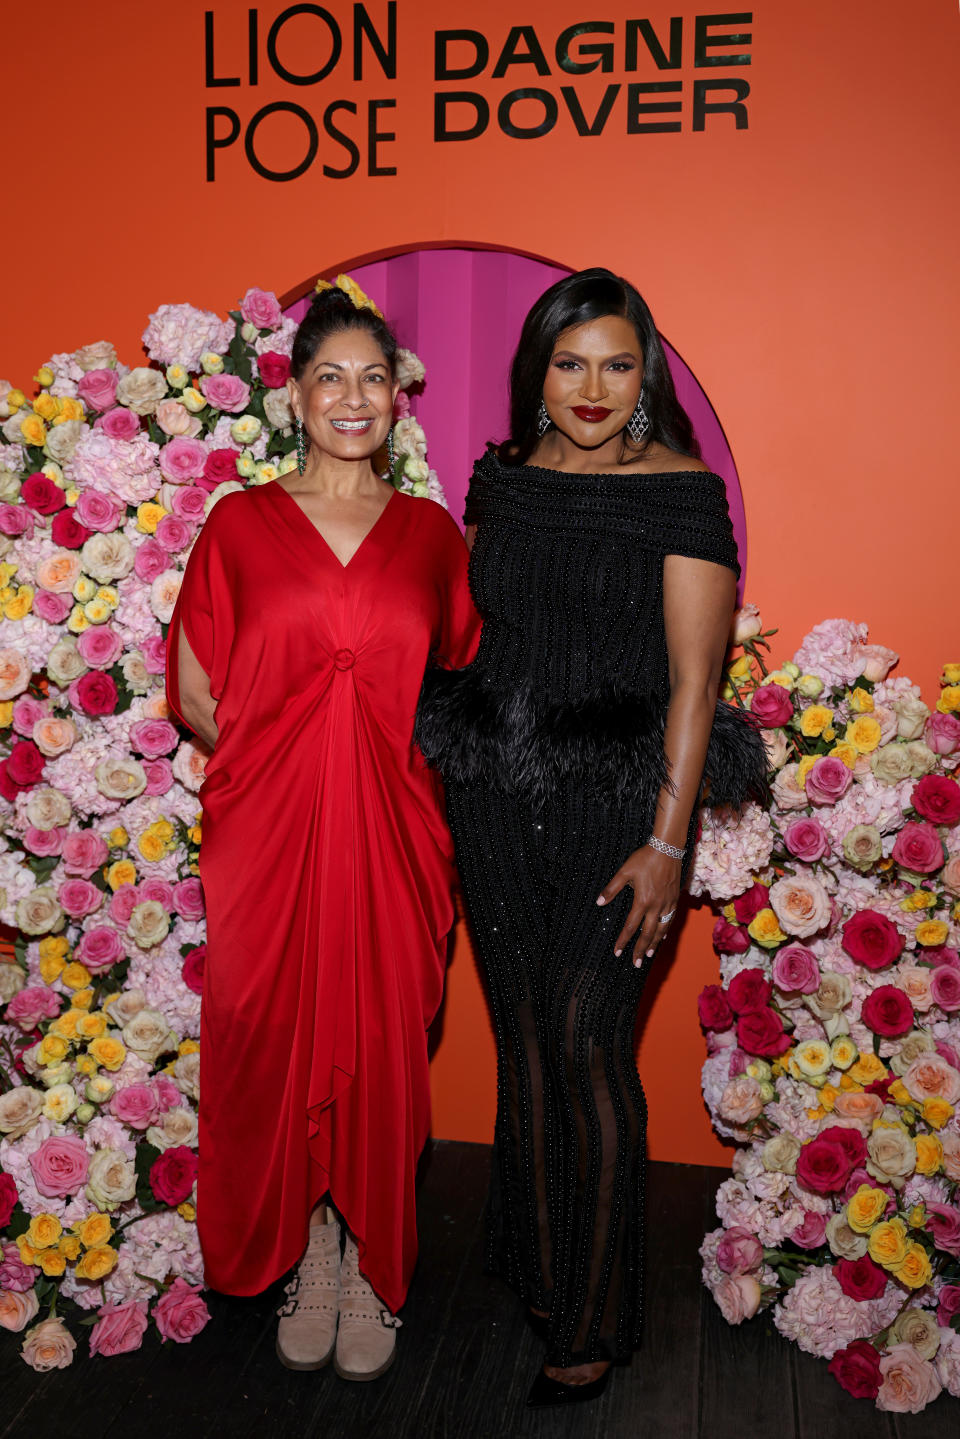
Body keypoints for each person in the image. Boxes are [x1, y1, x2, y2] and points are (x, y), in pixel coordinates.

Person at [416, 268, 766, 1407]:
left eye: (619, 363)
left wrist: (669, 844)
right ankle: (539, 1253)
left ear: (647, 372)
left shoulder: (682, 492)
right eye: (571, 362)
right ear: (538, 371)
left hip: (622, 800)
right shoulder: (502, 478)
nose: (594, 386)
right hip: (494, 786)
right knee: (521, 1030)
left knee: (584, 1033)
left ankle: (596, 1308)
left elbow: (696, 680)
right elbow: (475, 627)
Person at [166, 282, 480, 1382]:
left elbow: (461, 686)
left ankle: (369, 1265)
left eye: (375, 378)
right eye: (331, 377)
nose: (354, 396)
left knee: (384, 1037)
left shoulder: (434, 535)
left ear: (399, 401)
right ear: (297, 395)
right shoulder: (241, 525)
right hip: (271, 829)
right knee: (270, 1029)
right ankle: (306, 1248)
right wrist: (279, 753)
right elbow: (197, 684)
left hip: (395, 834)